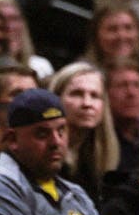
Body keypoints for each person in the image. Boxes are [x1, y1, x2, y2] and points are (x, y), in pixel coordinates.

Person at [48, 61, 119, 202]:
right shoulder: (44, 159)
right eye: (77, 94)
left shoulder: (97, 161)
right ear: (56, 99)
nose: (87, 103)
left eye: (94, 96)